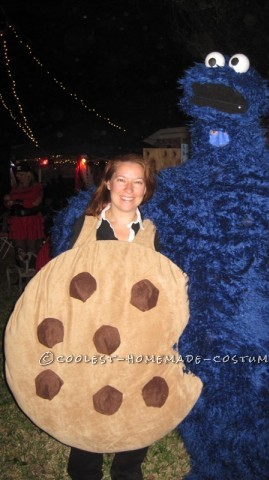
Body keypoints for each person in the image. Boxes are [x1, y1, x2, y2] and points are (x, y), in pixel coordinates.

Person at [66, 153, 157, 480]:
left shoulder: (151, 233)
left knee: (135, 400)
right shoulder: (86, 227)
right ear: (107, 183)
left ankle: (128, 468)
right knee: (90, 397)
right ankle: (85, 468)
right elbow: (64, 281)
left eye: (138, 181)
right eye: (122, 179)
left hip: (137, 333)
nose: (129, 189)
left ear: (146, 189)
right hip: (92, 332)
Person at [3, 162, 44, 266]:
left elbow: (35, 202)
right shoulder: (16, 187)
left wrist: (16, 201)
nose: (18, 176)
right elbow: (9, 203)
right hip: (17, 221)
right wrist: (7, 201)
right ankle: (22, 273)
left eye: (21, 174)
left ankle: (31, 275)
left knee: (32, 250)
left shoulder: (36, 186)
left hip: (31, 220)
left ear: (28, 174)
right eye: (17, 174)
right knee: (20, 250)